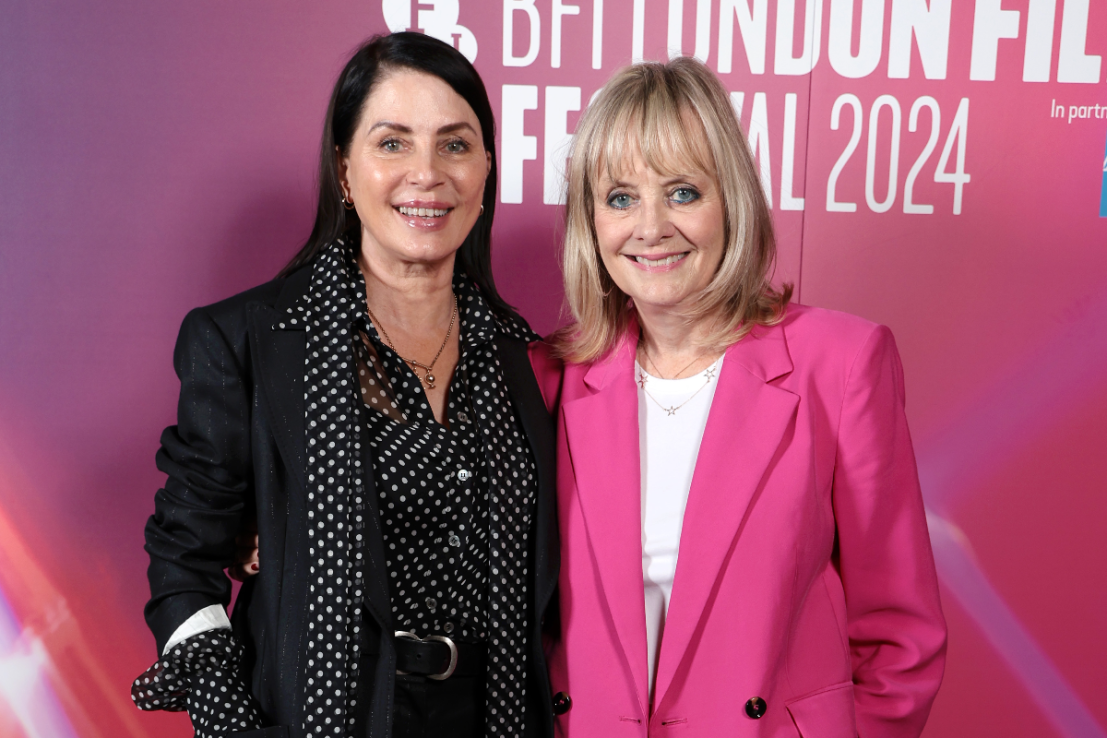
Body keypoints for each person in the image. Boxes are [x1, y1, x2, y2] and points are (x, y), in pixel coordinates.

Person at [131, 33, 558, 738]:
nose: (427, 173)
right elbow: (183, 560)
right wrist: (229, 720)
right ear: (344, 167)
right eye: (392, 143)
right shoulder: (247, 341)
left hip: (495, 718)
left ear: (486, 169)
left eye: (455, 145)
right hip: (321, 718)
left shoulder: (522, 355)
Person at [528, 58, 947, 737]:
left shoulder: (838, 365)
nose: (651, 226)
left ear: (733, 198)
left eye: (683, 192)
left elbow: (900, 634)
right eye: (620, 197)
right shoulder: (549, 377)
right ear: (590, 221)